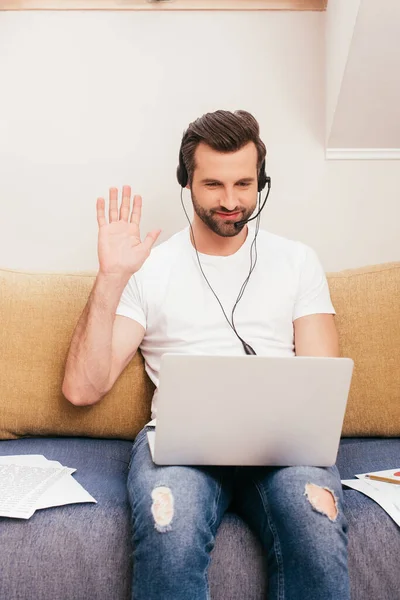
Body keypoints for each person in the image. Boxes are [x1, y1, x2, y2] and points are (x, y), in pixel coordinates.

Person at [62, 110, 350, 600]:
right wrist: (111, 278)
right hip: (180, 450)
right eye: (213, 184)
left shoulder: (298, 261)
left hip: (283, 449)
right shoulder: (149, 268)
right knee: (166, 525)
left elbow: (322, 390)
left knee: (316, 523)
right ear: (186, 182)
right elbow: (81, 390)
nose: (232, 201)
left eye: (244, 183)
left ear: (262, 181)